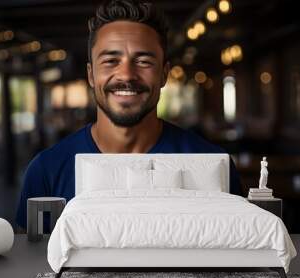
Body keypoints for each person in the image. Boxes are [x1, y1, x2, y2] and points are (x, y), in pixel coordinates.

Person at [16, 0, 242, 231]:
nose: (126, 74)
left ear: (164, 73)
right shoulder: (46, 171)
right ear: (91, 75)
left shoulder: (214, 164)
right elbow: (30, 263)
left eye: (143, 61)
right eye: (110, 61)